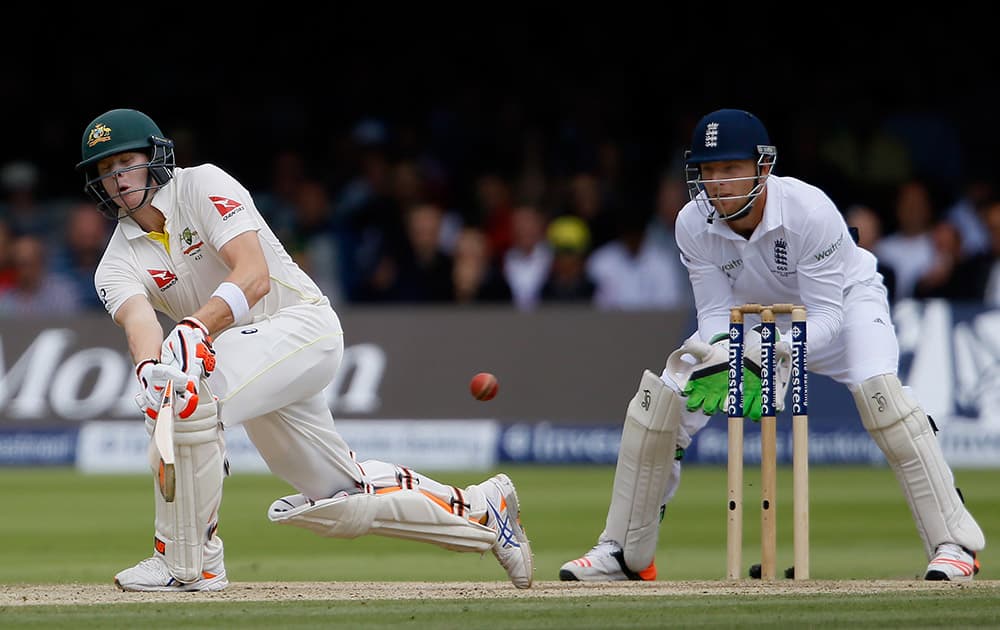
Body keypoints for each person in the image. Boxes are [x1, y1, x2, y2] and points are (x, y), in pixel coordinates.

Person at [75, 108, 532, 592]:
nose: (117, 179)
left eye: (125, 161)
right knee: (340, 496)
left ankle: (189, 563)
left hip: (300, 327)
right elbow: (138, 320)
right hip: (247, 362)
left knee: (189, 393)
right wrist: (148, 370)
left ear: (154, 157)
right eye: (105, 171)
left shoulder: (203, 184)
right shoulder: (115, 261)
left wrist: (195, 327)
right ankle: (485, 512)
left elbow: (250, 274)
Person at [559, 108, 984, 583]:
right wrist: (732, 353)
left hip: (844, 309)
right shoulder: (691, 223)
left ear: (763, 168)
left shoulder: (810, 211)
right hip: (752, 319)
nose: (717, 184)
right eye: (708, 171)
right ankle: (623, 553)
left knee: (880, 394)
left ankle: (955, 545)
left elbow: (825, 316)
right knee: (665, 399)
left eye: (730, 169)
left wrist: (777, 350)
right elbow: (716, 316)